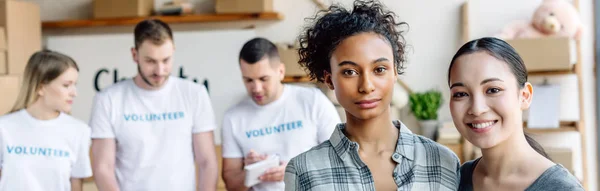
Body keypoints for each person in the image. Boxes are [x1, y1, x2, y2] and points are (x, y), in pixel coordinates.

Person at [284, 1, 461, 190]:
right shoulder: (304, 171)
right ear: (329, 80)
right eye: (349, 72)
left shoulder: (444, 162)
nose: (366, 86)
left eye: (379, 69)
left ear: (394, 72)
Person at [89, 19, 218, 191]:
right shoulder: (108, 100)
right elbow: (103, 168)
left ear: (173, 50)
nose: (159, 70)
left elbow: (207, 162)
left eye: (166, 60)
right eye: (150, 61)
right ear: (135, 55)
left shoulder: (195, 94)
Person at [447, 37, 584, 191]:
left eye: (493, 90)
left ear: (525, 96)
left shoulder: (562, 188)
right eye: (461, 94)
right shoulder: (452, 180)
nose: (477, 109)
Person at [221, 37, 341, 191]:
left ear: (281, 72)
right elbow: (231, 184)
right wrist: (249, 172)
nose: (256, 88)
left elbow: (341, 160)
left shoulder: (313, 101)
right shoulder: (233, 117)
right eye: (248, 80)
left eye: (263, 79)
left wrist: (296, 171)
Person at [0, 50, 92, 191]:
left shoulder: (79, 131)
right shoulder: (4, 128)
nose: (74, 93)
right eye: (66, 85)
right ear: (40, 87)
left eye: (75, 85)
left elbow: (76, 186)